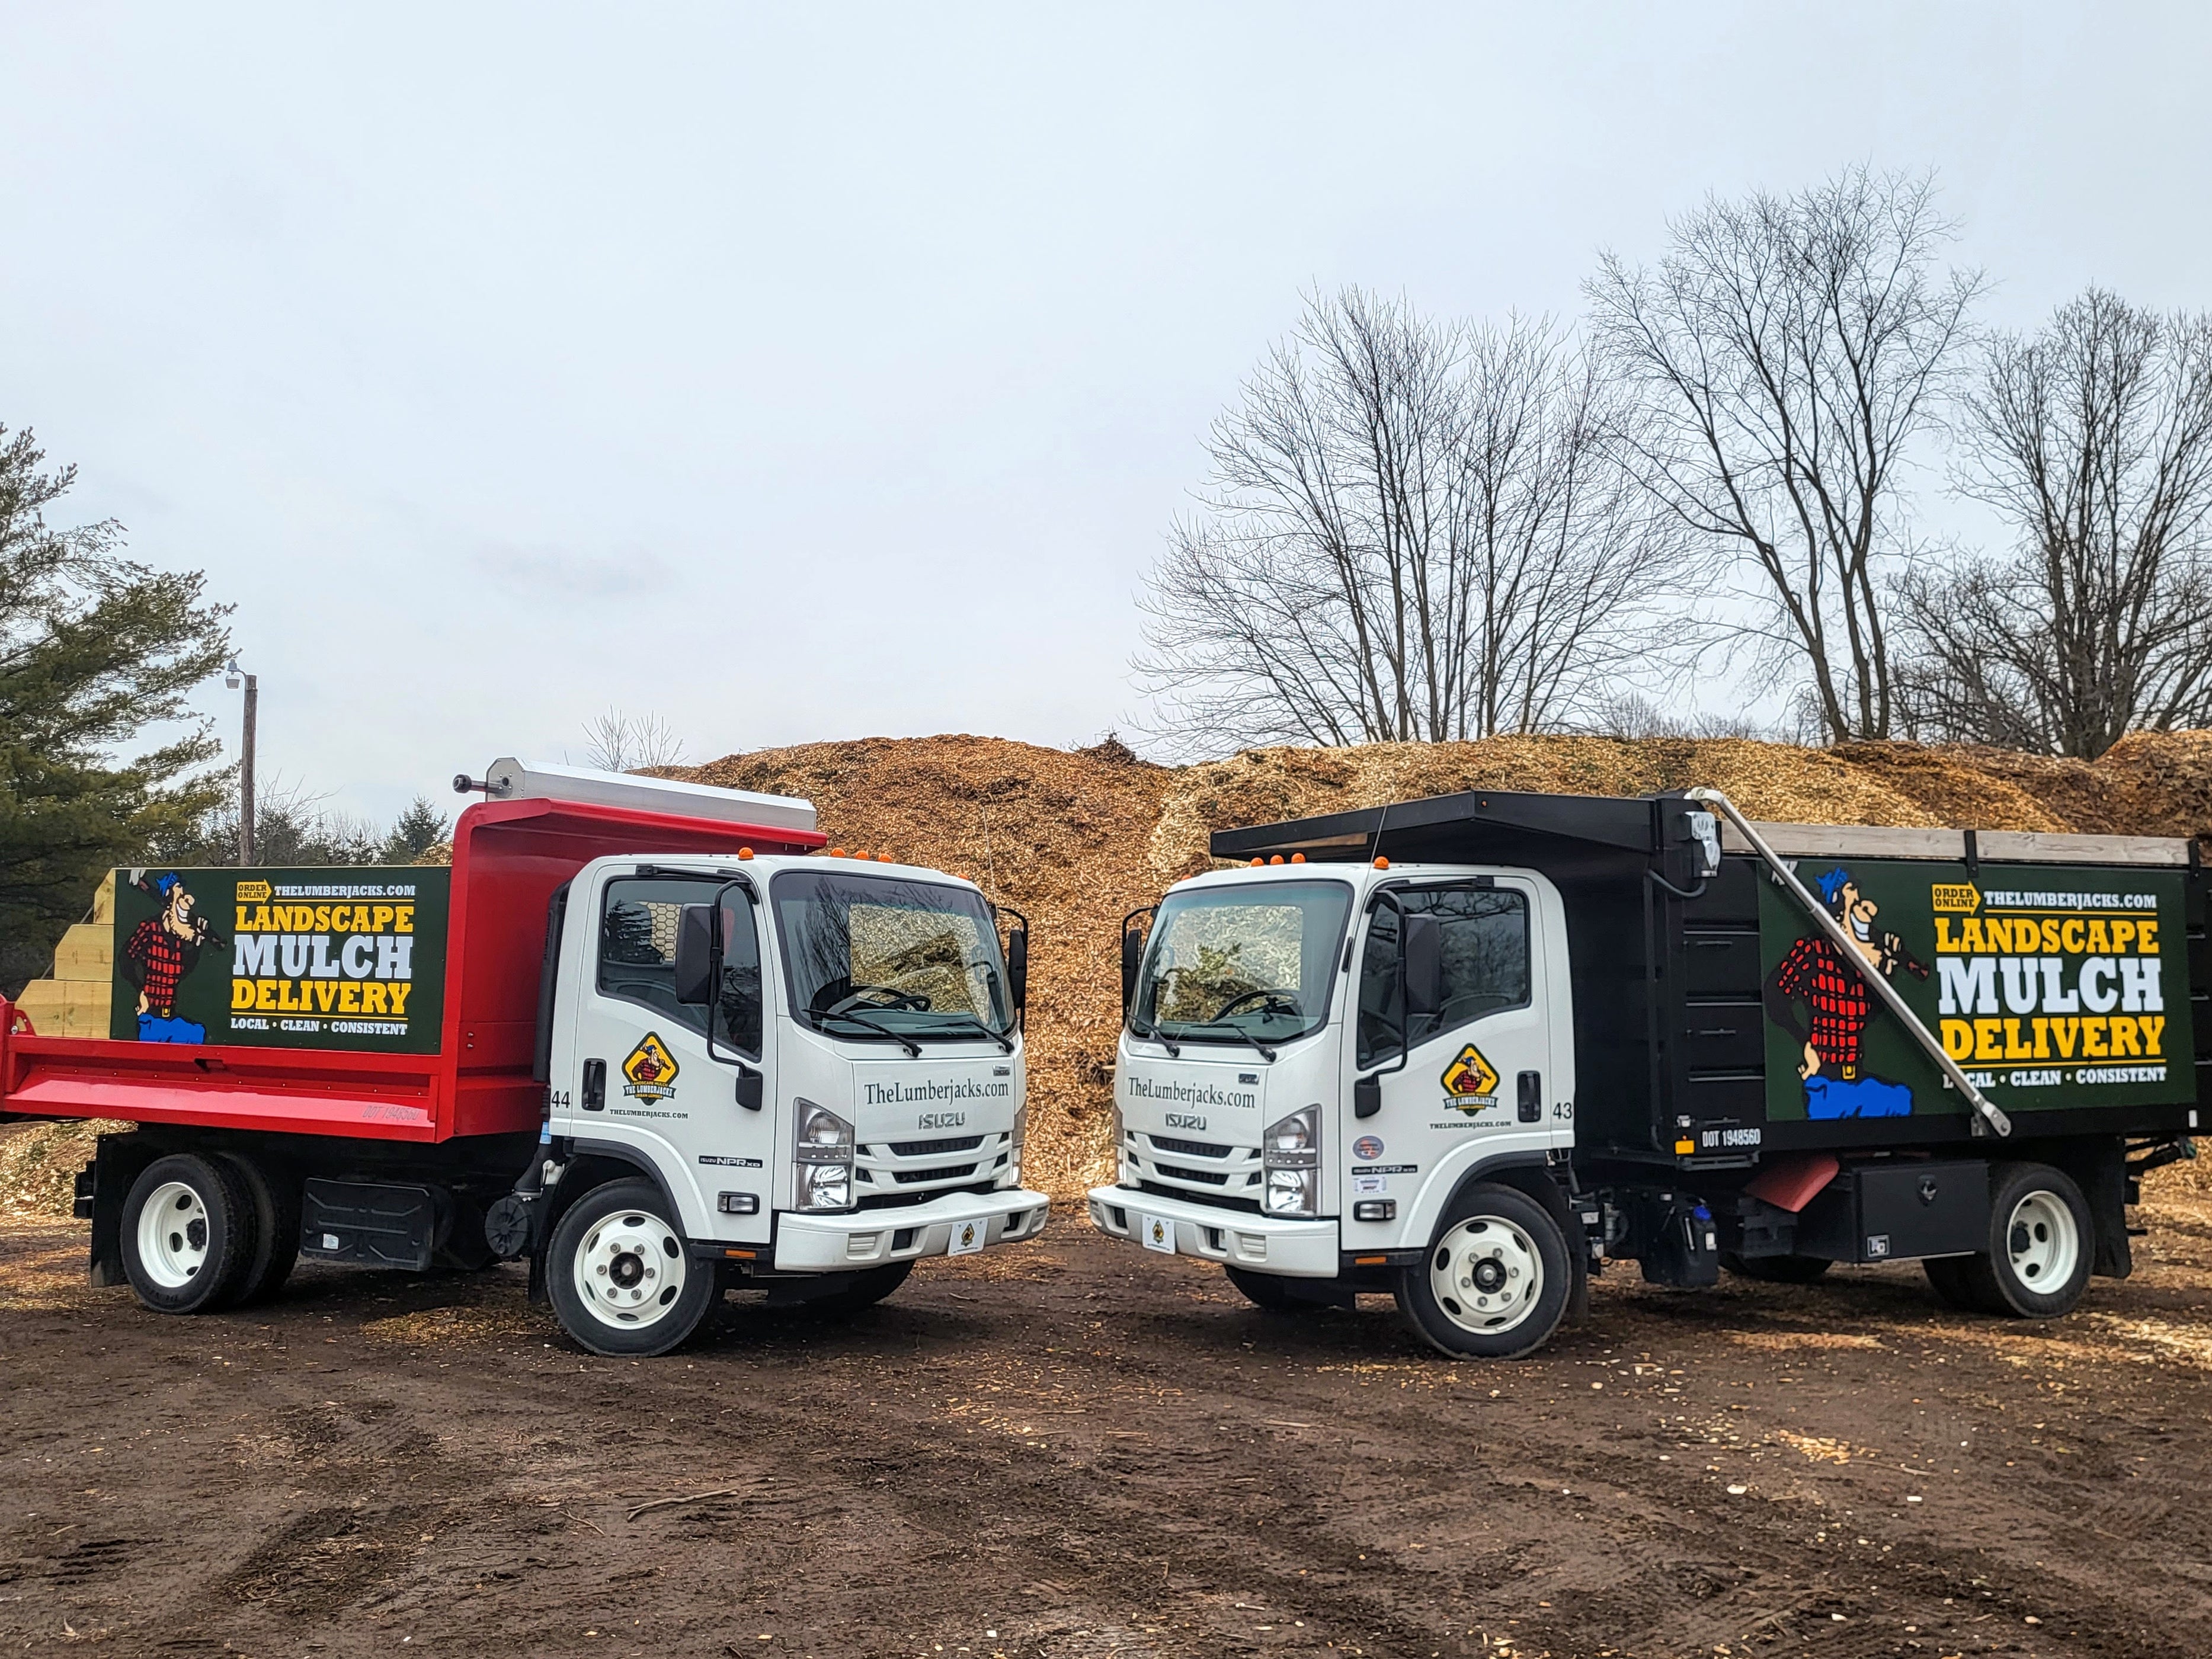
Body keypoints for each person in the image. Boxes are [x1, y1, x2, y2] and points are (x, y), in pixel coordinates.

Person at [1762, 866, 1926, 1119]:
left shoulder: (1862, 964)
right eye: (1855, 898)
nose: (1868, 909)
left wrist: (1887, 970)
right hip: (1826, 1084)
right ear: (1837, 904)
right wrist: (1804, 1043)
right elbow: (1774, 996)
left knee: (1901, 1099)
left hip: (1856, 1078)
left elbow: (1861, 1017)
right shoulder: (1813, 951)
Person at [120, 873, 213, 1043]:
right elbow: (126, 959)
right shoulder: (150, 928)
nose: (186, 896)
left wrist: (197, 946)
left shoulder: (178, 938)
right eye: (179, 889)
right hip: (151, 1019)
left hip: (170, 1016)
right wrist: (141, 990)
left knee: (197, 1033)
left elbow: (178, 973)